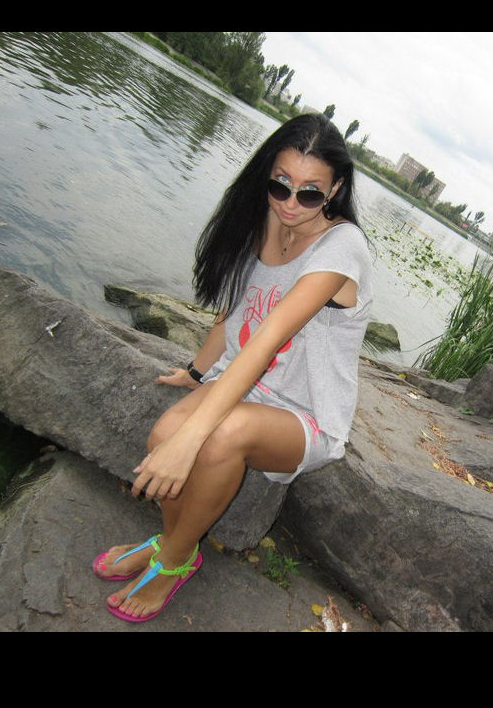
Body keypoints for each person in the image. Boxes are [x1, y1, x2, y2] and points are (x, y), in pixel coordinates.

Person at [92, 113, 373, 622]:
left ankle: (174, 561)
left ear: (334, 190)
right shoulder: (265, 221)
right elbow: (236, 310)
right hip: (242, 384)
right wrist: (197, 373)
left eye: (310, 193)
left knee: (215, 437)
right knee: (163, 434)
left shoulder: (342, 248)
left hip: (304, 412)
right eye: (281, 184)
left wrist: (192, 439)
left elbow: (267, 340)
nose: (290, 203)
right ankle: (170, 543)